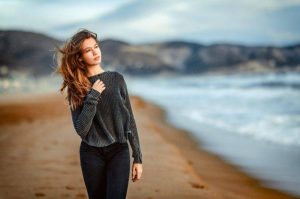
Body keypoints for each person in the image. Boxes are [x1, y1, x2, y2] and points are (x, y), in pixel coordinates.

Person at [55, 28, 143, 199]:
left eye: (96, 46)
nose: (95, 52)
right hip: (91, 153)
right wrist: (93, 96)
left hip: (119, 150)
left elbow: (129, 119)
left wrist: (138, 157)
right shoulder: (77, 87)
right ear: (79, 57)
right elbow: (81, 129)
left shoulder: (117, 79)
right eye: (88, 50)